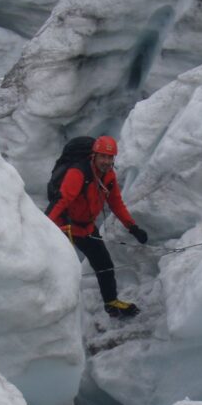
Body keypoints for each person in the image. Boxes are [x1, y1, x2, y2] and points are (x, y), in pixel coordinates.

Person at [47, 135, 148, 318]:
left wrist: (133, 227)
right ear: (94, 155)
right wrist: (45, 228)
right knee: (63, 269)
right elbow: (61, 201)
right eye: (103, 156)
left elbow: (116, 203)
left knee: (105, 265)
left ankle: (111, 304)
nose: (107, 161)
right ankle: (55, 311)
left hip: (86, 228)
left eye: (110, 158)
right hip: (67, 227)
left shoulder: (108, 175)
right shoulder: (78, 173)